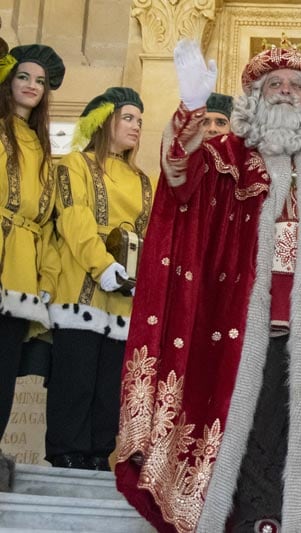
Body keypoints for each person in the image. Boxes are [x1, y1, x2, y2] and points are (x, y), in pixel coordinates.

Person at [114, 38, 301, 532]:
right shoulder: (226, 157)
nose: (283, 91)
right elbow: (178, 177)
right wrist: (190, 108)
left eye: (296, 85)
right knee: (249, 433)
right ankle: (255, 522)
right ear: (254, 96)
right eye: (272, 84)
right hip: (235, 330)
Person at [45, 87, 154, 471]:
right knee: (76, 378)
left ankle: (96, 453)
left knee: (110, 385)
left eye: (140, 120)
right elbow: (74, 219)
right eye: (128, 118)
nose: (136, 126)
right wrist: (102, 265)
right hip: (82, 286)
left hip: (125, 296)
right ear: (104, 121)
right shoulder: (75, 164)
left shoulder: (143, 180)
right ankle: (66, 451)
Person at [0, 43, 64, 485]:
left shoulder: (42, 146)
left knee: (5, 366)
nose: (32, 86)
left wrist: (44, 278)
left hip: (21, 269)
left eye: (40, 82)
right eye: (24, 77)